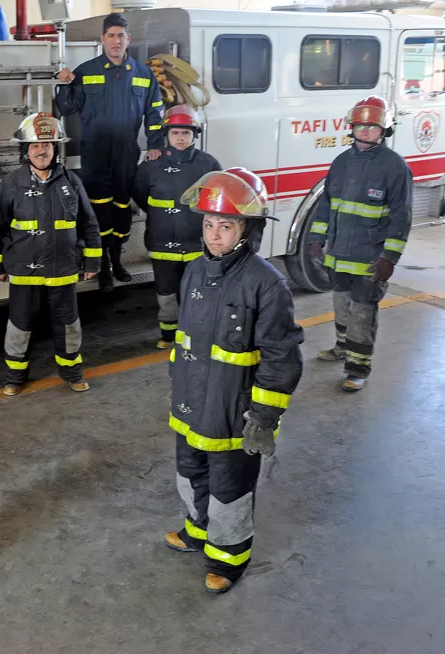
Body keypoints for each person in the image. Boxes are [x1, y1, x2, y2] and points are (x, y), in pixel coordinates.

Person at [163, 169, 303, 595]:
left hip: (233, 413)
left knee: (229, 486)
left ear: (248, 228)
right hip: (190, 405)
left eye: (225, 225)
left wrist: (263, 418)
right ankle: (198, 531)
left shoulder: (266, 283)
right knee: (190, 472)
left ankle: (228, 559)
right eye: (208, 224)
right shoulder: (193, 272)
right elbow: (184, 342)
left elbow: (281, 357)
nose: (214, 235)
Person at [0, 113, 102, 395]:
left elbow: (88, 222)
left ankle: (72, 372)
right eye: (36, 145)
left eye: (48, 144)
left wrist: (93, 260)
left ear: (55, 149)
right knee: (20, 324)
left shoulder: (71, 181)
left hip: (62, 269)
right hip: (24, 271)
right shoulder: (11, 183)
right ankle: (15, 377)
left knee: (68, 324)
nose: (42, 150)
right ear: (25, 150)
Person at [306, 96, 413, 392]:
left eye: (372, 127)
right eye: (359, 126)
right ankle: (342, 347)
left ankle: (358, 368)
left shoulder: (395, 167)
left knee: (363, 312)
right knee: (341, 305)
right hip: (339, 255)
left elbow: (401, 216)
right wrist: (316, 239)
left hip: (370, 256)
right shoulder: (341, 162)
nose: (365, 132)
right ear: (351, 128)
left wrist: (389, 256)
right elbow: (326, 207)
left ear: (385, 130)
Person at [55, 11, 164, 292]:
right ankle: (102, 265)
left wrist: (155, 145)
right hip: (95, 153)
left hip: (126, 152)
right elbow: (66, 108)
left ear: (129, 39)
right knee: (99, 210)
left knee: (121, 209)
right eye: (111, 36)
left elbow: (155, 112)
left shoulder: (143, 74)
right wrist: (64, 84)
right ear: (102, 39)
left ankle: (118, 261)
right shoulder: (86, 71)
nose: (116, 41)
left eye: (121, 36)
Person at [132, 105, 221, 349]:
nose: (180, 138)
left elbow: (216, 199)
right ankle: (168, 334)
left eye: (186, 133)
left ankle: (194, 332)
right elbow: (140, 194)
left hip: (196, 242)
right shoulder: (150, 165)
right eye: (175, 133)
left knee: (196, 290)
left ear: (195, 135)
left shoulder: (208, 163)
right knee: (166, 291)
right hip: (161, 241)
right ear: (166, 135)